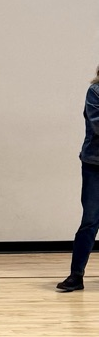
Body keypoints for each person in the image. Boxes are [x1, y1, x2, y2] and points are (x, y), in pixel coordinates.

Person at [57, 65, 99, 292]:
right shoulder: (95, 91)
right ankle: (76, 275)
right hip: (95, 165)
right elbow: (97, 123)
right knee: (91, 221)